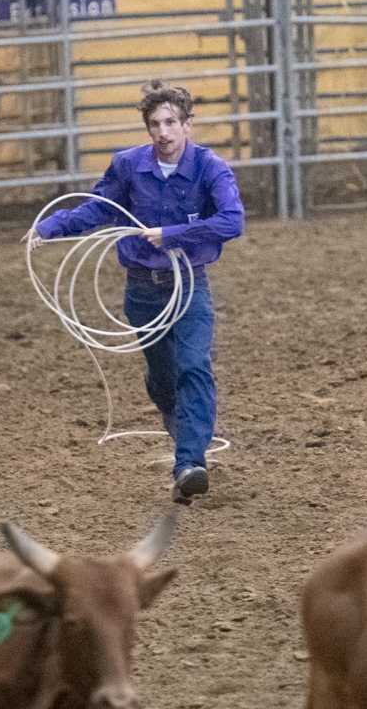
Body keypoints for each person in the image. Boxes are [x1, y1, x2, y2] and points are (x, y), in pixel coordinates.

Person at [30, 80, 245, 502]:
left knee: (194, 366)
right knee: (164, 376)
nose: (163, 132)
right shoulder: (128, 166)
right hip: (143, 290)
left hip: (189, 287)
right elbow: (99, 207)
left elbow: (232, 220)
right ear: (147, 129)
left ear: (187, 125)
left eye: (170, 123)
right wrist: (49, 227)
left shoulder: (211, 168)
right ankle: (174, 419)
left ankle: (189, 464)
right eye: (155, 124)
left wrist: (174, 234)